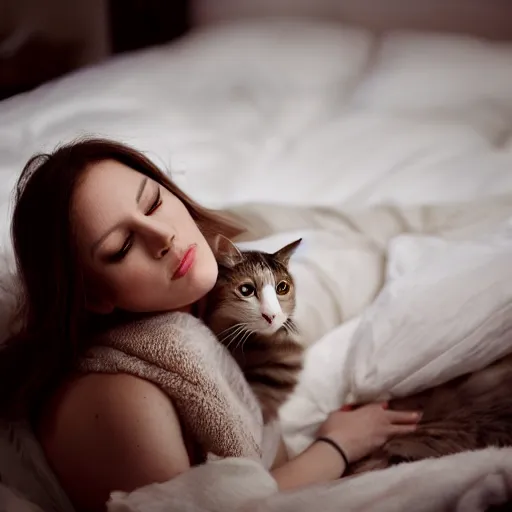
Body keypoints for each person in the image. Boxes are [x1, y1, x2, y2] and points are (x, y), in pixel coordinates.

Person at [0, 139, 421, 512]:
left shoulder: (204, 302)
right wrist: (337, 446)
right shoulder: (119, 400)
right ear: (94, 297)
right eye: (123, 246)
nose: (162, 235)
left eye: (153, 203)